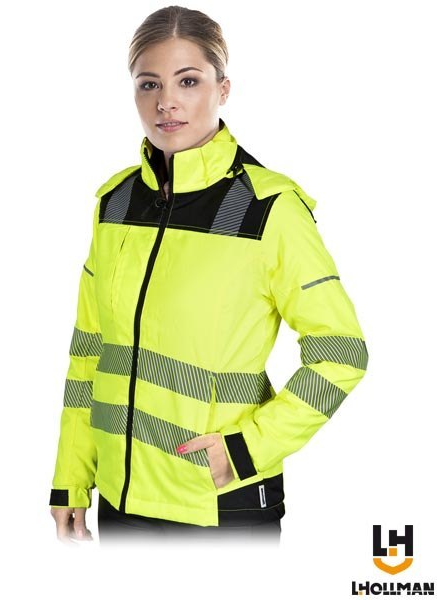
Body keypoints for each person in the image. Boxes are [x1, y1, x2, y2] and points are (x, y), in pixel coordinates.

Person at [49, 5, 368, 546]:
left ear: (223, 89)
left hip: (220, 508)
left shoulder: (269, 208)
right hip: (120, 503)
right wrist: (71, 478)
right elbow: (89, 353)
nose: (166, 102)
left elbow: (342, 352)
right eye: (148, 84)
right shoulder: (115, 203)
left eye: (188, 81)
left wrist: (244, 449)